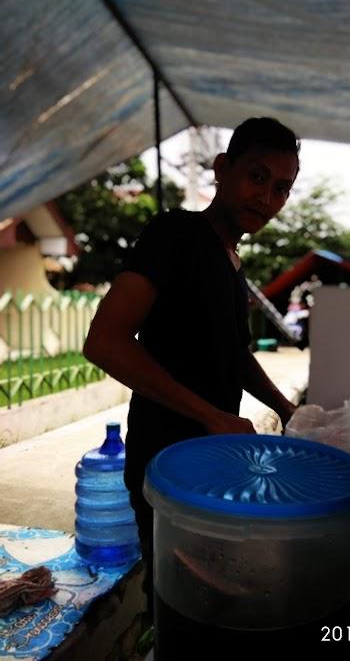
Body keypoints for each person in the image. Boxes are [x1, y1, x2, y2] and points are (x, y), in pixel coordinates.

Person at [82, 117, 301, 619]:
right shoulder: (175, 232)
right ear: (223, 169)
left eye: (282, 188)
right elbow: (104, 341)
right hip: (165, 462)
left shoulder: (233, 264)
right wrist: (210, 415)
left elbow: (235, 356)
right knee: (180, 607)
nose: (267, 196)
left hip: (209, 461)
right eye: (258, 176)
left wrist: (286, 407)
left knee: (213, 605)